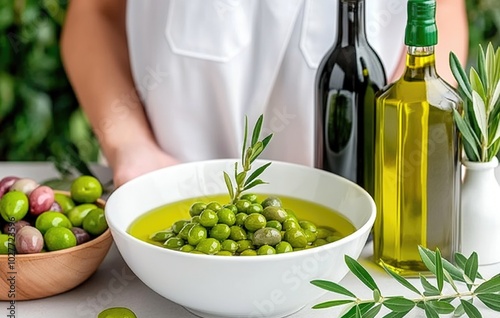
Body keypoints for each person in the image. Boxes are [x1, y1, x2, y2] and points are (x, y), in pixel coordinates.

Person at [61, 0, 469, 187]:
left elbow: (442, 10)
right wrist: (129, 144)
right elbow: (96, 12)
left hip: (359, 241)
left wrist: (405, 144)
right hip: (166, 209)